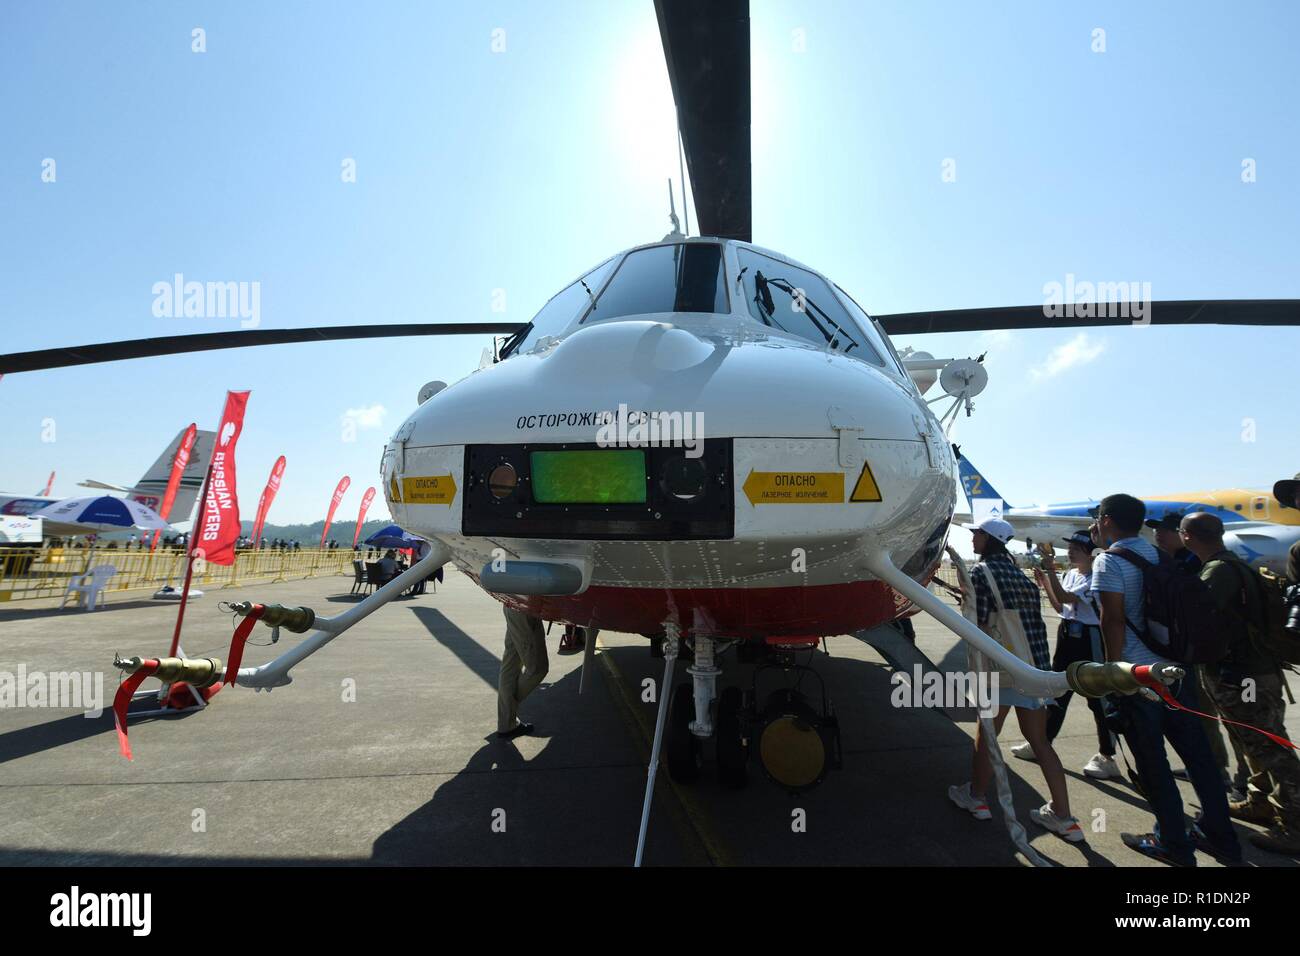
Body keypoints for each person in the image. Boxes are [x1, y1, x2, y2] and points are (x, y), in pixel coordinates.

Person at [1094, 494, 1240, 866]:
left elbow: (1112, 619)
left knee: (1153, 765)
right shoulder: (1161, 556)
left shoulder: (1109, 561)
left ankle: (1173, 843)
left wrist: (1112, 673)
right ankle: (1222, 838)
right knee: (1199, 759)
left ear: (1108, 521)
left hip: (1138, 678)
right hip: (1177, 673)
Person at [947, 517, 1084, 843]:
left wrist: (964, 602)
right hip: (1031, 671)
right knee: (1040, 743)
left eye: (976, 534)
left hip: (999, 671)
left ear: (988, 538)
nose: (973, 539)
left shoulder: (981, 573)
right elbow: (1031, 628)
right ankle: (1064, 818)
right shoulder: (1021, 579)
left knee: (988, 736)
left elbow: (976, 622)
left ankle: (977, 799)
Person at [1181, 511, 1300, 855]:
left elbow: (1198, 618)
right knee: (1250, 739)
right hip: (1245, 671)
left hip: (1244, 675)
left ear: (1188, 537)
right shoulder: (1230, 564)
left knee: (1268, 745)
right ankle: (1260, 801)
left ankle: (1295, 825)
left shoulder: (1219, 571)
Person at [1149, 512, 1240, 792]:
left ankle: (1245, 780)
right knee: (1203, 715)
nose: (1158, 534)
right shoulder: (1178, 561)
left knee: (1236, 722)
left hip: (1225, 661)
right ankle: (1215, 768)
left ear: (1185, 534)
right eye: (1156, 529)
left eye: (1167, 529)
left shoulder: (1204, 566)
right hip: (1200, 657)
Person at [1023, 530, 1118, 779]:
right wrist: (1046, 582)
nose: (1072, 550)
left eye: (1077, 547)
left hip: (1089, 638)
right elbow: (1060, 606)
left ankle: (1107, 756)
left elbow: (1066, 597)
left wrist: (1051, 572)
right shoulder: (1071, 574)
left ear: (1091, 553)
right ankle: (1042, 742)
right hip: (1068, 634)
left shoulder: (1096, 577)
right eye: (1071, 546)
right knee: (1056, 692)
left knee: (1098, 698)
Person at [498, 605, 548, 739]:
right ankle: (507, 713)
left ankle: (506, 723)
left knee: (511, 665)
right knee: (538, 669)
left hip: (514, 605)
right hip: (525, 608)